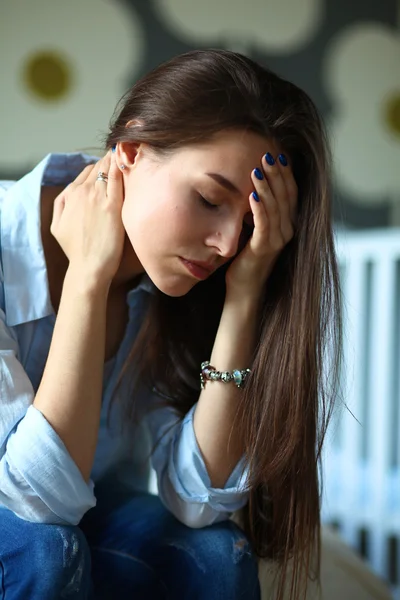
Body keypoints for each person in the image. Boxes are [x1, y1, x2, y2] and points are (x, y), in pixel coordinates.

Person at [0, 49, 342, 599]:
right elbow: (35, 502)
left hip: (78, 508)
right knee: (43, 550)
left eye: (250, 227)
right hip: (22, 518)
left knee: (215, 557)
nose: (228, 244)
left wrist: (245, 295)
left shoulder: (179, 292)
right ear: (131, 151)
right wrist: (88, 276)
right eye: (209, 199)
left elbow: (199, 500)